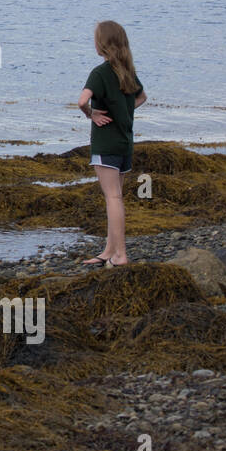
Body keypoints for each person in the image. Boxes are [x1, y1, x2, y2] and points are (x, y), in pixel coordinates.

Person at [76, 20, 147, 267]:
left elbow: (82, 100)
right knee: (116, 197)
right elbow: (142, 97)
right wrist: (123, 112)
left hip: (105, 144)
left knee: (113, 198)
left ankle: (120, 255)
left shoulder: (100, 73)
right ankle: (109, 250)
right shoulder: (128, 71)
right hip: (125, 143)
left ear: (102, 45)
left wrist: (91, 114)